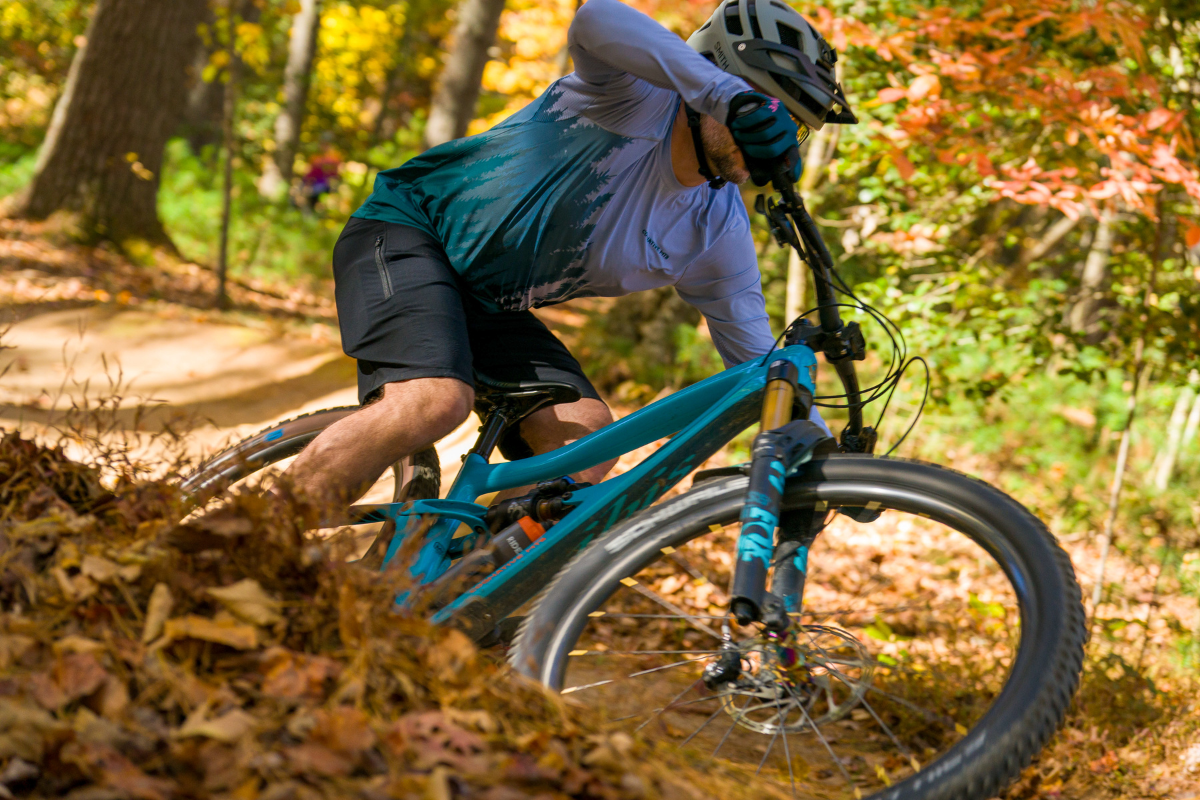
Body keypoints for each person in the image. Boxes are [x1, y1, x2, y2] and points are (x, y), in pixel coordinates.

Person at [284, 0, 857, 510]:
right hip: (407, 229)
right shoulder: (633, 99)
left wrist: (830, 467)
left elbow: (757, 363)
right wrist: (723, 95)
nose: (777, 134)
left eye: (795, 127)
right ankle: (240, 541)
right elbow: (595, 19)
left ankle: (431, 591)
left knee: (585, 439)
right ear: (717, 78)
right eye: (770, 110)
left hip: (488, 303)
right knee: (434, 402)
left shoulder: (718, 229)